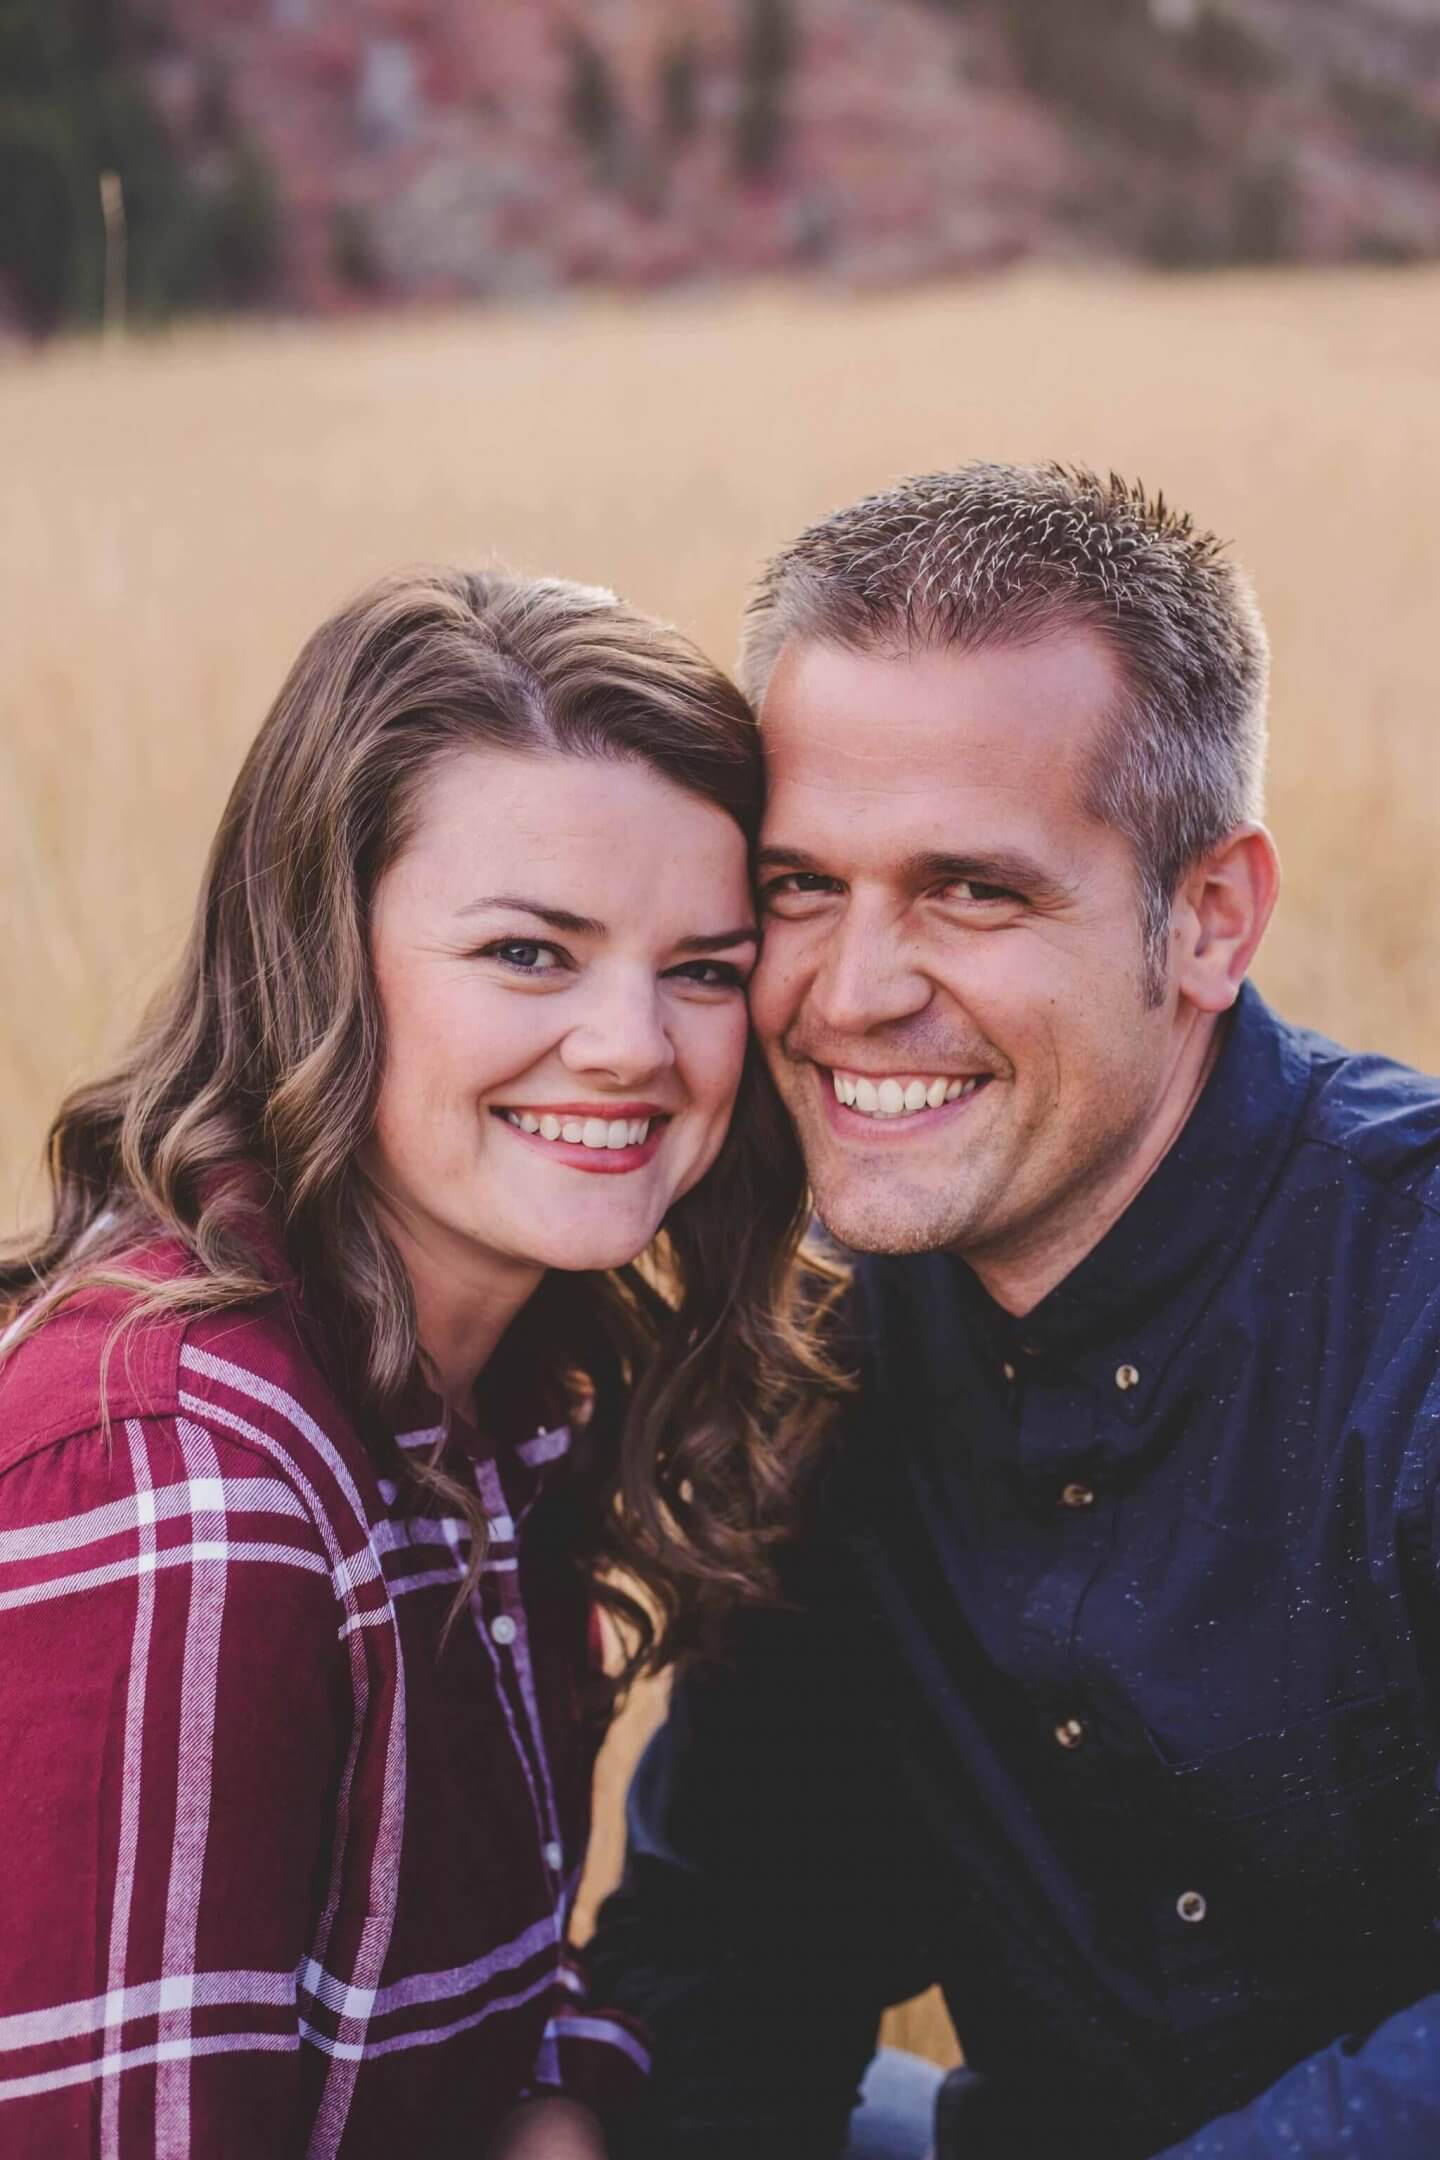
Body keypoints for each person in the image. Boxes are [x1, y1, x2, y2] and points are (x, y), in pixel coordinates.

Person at [588, 463, 1440, 2159]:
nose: (850, 993)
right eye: (799, 887)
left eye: (971, 890)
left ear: (1208, 920)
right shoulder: (836, 1349)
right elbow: (737, 1958)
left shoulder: (1408, 1304)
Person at [0, 568, 846, 2159]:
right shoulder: (187, 1474)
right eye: (531, 953)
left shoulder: (517, 1390)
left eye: (704, 969)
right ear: (322, 955)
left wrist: (559, 2106)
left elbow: (495, 1993)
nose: (633, 1048)